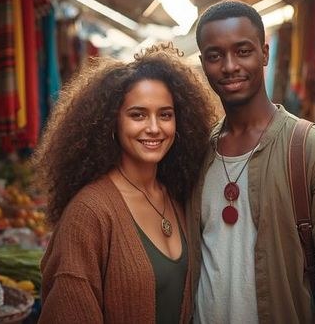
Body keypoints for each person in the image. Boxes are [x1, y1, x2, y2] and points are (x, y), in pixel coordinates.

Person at [188, 0, 315, 324]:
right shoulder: (197, 154)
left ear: (265, 54)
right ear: (203, 63)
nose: (229, 66)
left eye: (243, 51)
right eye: (215, 56)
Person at [34, 44, 214, 323]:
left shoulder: (178, 197)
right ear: (111, 122)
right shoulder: (89, 213)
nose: (154, 127)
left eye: (165, 114)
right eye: (138, 115)